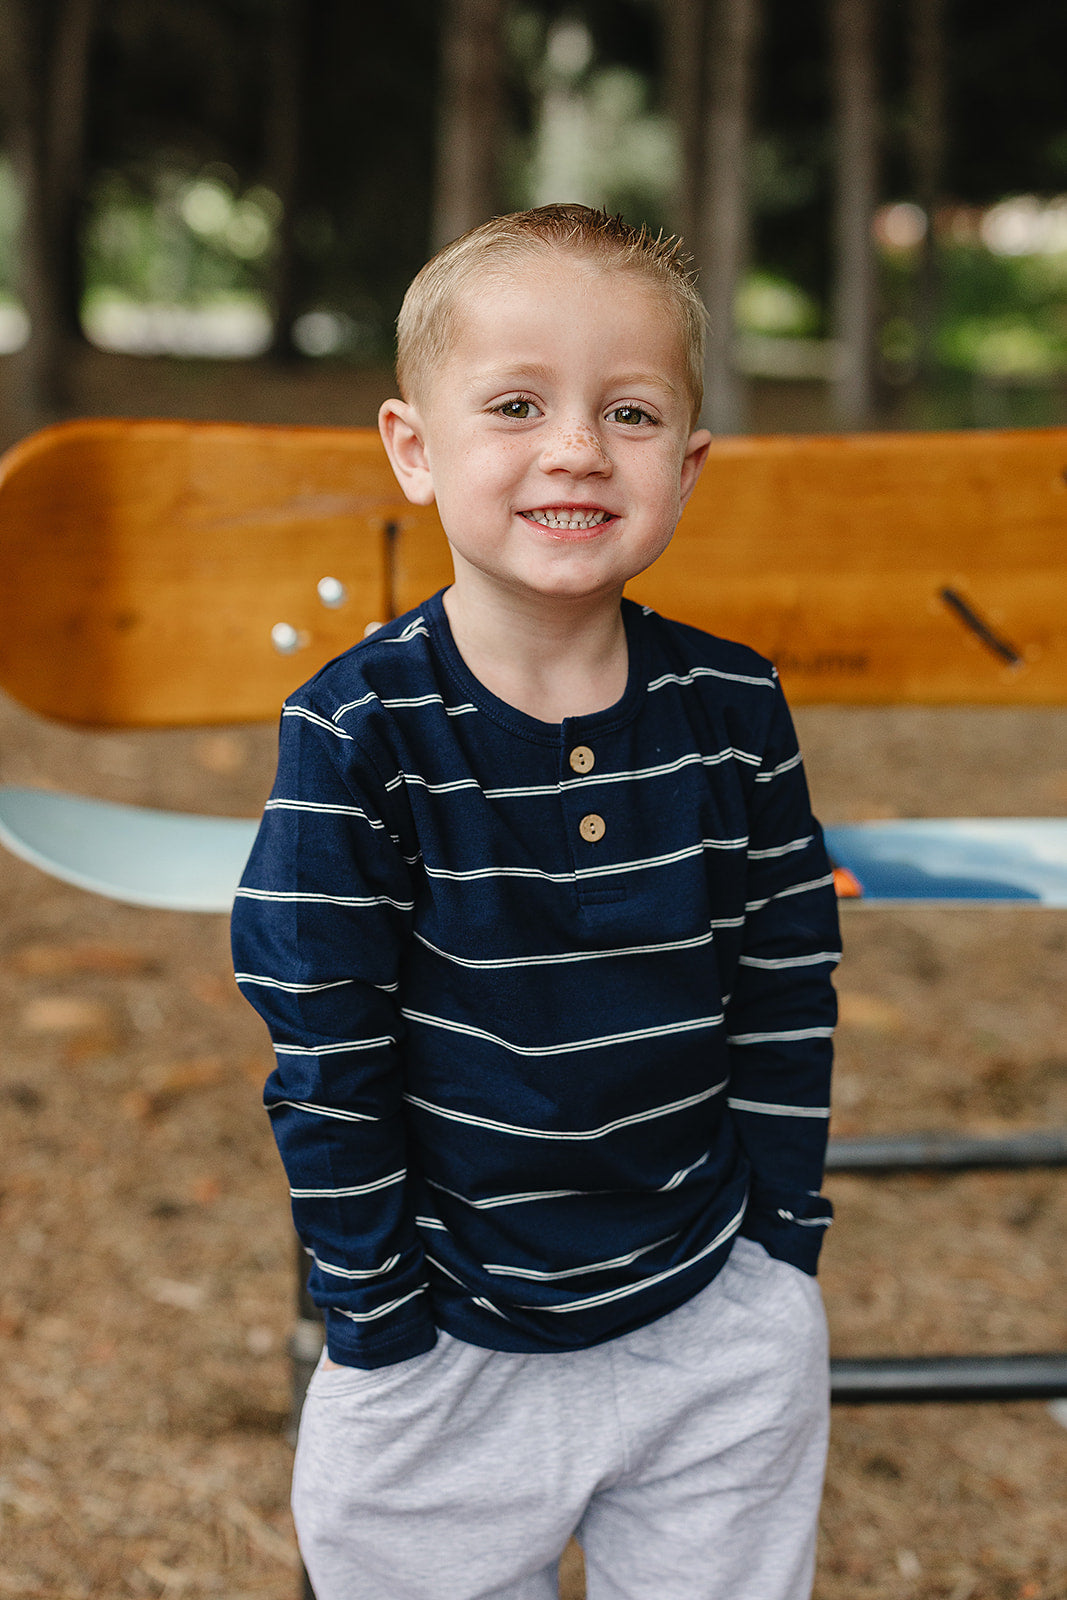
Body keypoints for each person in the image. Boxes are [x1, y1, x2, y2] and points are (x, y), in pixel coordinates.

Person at [231, 203, 840, 1600]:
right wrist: (378, 1318)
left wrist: (779, 1249)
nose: (576, 448)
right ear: (413, 448)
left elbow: (785, 976)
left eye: (630, 413)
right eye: (517, 405)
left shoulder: (734, 707)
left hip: (710, 1318)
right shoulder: (357, 734)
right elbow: (325, 1043)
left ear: (687, 464)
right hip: (446, 1339)